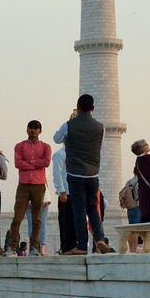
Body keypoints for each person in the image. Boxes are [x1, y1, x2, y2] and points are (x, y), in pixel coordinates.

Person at [53, 96, 110, 254]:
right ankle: (99, 238)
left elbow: (56, 139)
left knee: (79, 211)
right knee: (93, 208)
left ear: (77, 107)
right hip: (93, 174)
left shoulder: (69, 125)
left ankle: (82, 246)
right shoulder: (100, 127)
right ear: (93, 108)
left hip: (75, 173)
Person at [6, 121, 52, 255]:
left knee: (37, 219)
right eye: (31, 128)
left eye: (36, 129)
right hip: (24, 185)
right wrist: (37, 164)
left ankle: (34, 247)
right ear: (27, 130)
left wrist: (30, 162)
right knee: (17, 218)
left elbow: (47, 162)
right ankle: (12, 247)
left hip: (39, 185)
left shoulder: (45, 147)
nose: (33, 131)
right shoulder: (20, 146)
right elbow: (18, 163)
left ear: (40, 131)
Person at [50, 145, 76, 255]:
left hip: (76, 192)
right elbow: (57, 174)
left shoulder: (76, 152)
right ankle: (67, 247)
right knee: (66, 222)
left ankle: (75, 246)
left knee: (75, 222)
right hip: (66, 193)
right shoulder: (60, 154)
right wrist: (61, 191)